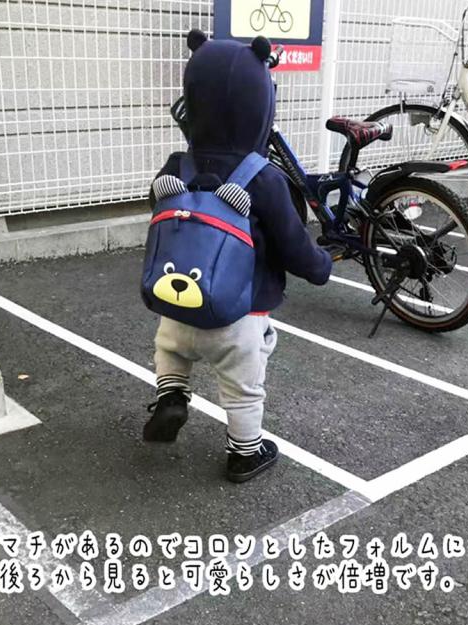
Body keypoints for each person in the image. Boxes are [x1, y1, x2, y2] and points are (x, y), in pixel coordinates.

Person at [143, 30, 332, 483]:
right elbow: (293, 244)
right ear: (261, 103)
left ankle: (171, 394)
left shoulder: (177, 166)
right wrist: (321, 266)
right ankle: (246, 453)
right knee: (243, 387)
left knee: (171, 349)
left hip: (178, 304)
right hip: (241, 314)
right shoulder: (263, 177)